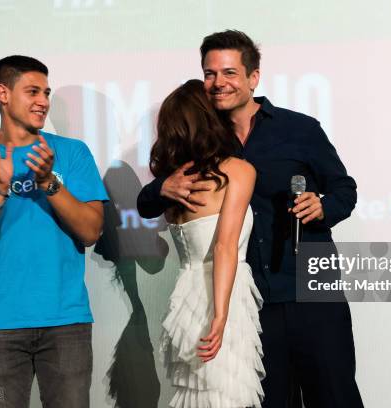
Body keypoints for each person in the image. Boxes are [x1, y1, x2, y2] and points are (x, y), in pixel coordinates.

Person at [138, 30, 362, 408]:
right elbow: (147, 204)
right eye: (210, 74)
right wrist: (161, 187)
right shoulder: (205, 140)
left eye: (229, 73)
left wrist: (323, 206)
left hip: (310, 289)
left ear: (253, 78)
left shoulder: (299, 128)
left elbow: (345, 190)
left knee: (334, 395)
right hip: (251, 303)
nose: (218, 83)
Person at [0, 55, 108, 408]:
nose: (44, 101)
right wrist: (0, 187)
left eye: (46, 93)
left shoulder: (72, 153)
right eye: (32, 91)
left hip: (67, 321)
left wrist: (49, 182)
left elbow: (92, 230)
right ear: (3, 93)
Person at [153, 79, 263, 407]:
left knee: (198, 393)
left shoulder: (174, 183)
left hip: (187, 294)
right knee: (223, 392)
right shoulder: (237, 171)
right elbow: (224, 248)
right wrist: (220, 314)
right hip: (222, 291)